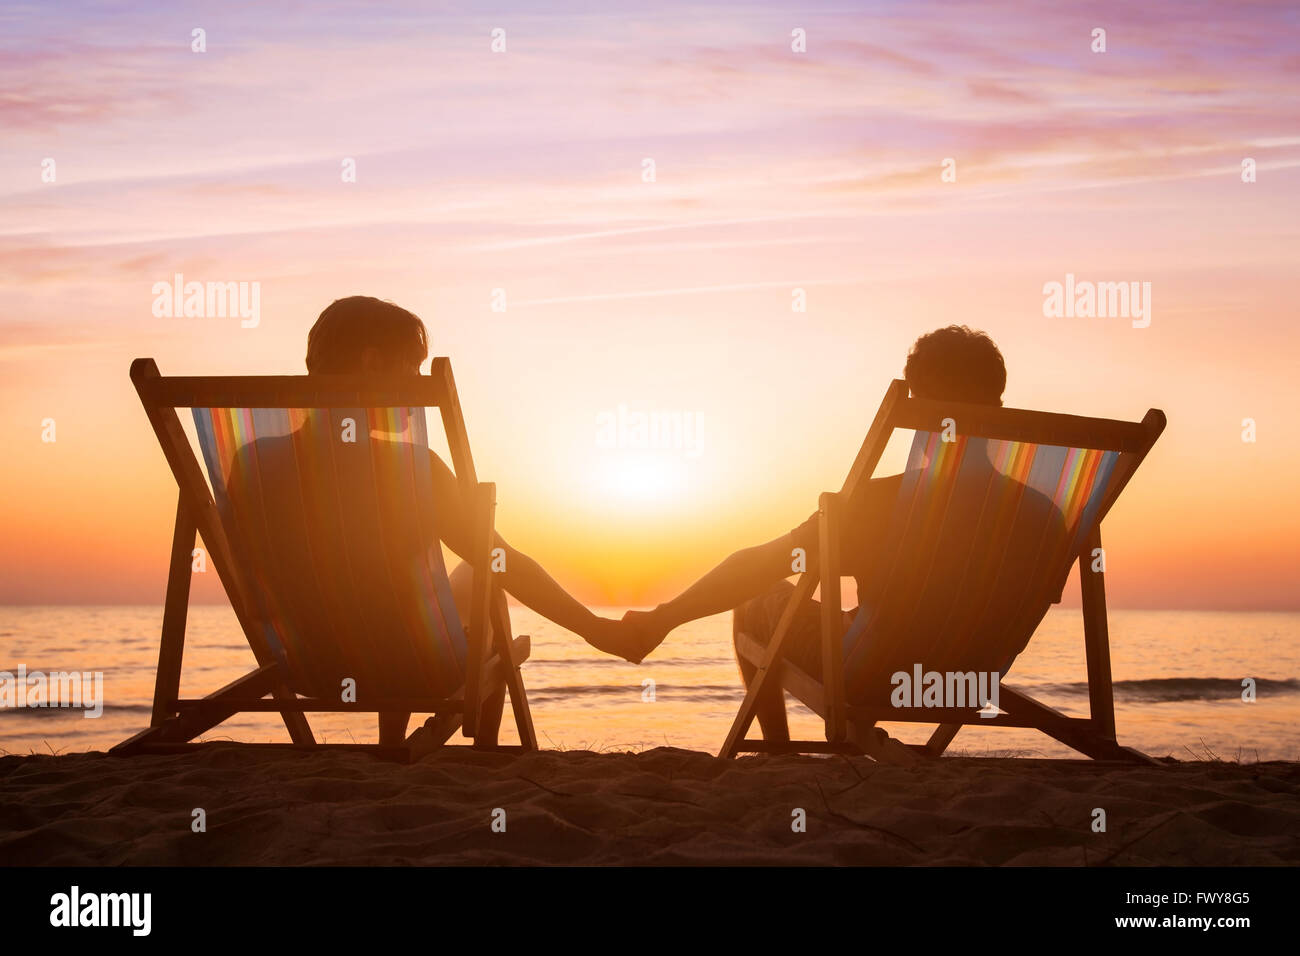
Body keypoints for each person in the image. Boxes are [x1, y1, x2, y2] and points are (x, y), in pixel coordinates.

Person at [618, 326, 1063, 758]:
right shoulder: (1046, 516)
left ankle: (777, 752)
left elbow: (762, 565)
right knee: (866, 623)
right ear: (997, 405)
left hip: (872, 678)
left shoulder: (880, 505)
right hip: (968, 683)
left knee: (756, 601)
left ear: (918, 408)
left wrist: (664, 619)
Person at [220, 296, 645, 745]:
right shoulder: (413, 469)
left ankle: (391, 740)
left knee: (419, 588)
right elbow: (503, 562)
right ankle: (483, 757)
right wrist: (596, 630)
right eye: (412, 366)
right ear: (372, 364)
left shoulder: (253, 464)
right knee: (485, 573)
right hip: (416, 669)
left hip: (308, 666)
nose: (419, 382)